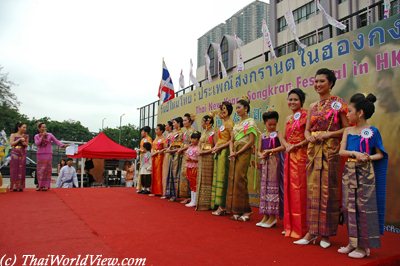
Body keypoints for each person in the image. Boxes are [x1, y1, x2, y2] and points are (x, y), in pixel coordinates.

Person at [294, 68, 349, 248]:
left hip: (330, 151)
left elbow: (346, 129)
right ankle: (311, 232)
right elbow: (307, 129)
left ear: (331, 83)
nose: (317, 85)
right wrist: (309, 136)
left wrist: (327, 135)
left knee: (328, 191)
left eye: (322, 81)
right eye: (316, 81)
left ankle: (326, 234)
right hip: (313, 151)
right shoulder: (312, 107)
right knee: (312, 191)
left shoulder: (338, 103)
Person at [338, 93, 387, 259]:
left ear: (360, 113)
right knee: (349, 207)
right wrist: (355, 153)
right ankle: (352, 242)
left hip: (366, 174)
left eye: (350, 111)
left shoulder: (372, 131)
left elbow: (380, 154)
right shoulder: (348, 131)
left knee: (364, 208)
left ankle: (364, 246)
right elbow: (341, 151)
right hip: (349, 172)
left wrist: (367, 157)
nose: (347, 114)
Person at [280, 88, 309, 239]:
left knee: (300, 191)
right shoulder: (287, 119)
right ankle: (289, 226)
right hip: (289, 155)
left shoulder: (306, 115)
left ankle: (301, 228)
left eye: (295, 99)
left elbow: (308, 136)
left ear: (301, 101)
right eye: (290, 99)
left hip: (301, 155)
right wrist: (287, 145)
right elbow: (283, 137)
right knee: (289, 190)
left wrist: (297, 145)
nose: (292, 102)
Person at [226, 96, 259, 222]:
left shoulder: (250, 122)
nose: (237, 110)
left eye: (239, 107)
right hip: (235, 153)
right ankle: (236, 209)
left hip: (244, 152)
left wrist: (238, 152)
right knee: (234, 179)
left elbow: (251, 141)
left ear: (246, 108)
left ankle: (246, 210)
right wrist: (232, 151)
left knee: (241, 179)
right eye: (236, 108)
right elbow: (231, 140)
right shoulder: (237, 124)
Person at [256, 111, 285, 228]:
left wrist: (271, 151)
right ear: (265, 123)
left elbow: (283, 146)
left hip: (274, 162)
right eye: (270, 125)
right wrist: (261, 154)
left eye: (274, 124)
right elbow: (258, 150)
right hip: (265, 163)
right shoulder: (262, 136)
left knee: (272, 188)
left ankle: (273, 217)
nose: (272, 127)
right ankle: (266, 215)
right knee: (264, 188)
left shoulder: (278, 134)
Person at [211, 102, 234, 216]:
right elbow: (219, 139)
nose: (222, 111)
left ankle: (222, 206)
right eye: (221, 109)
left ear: (229, 110)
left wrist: (220, 147)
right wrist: (215, 147)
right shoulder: (222, 124)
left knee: (223, 177)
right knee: (218, 177)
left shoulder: (230, 124)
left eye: (224, 109)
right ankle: (217, 204)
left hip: (225, 152)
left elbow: (232, 140)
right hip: (219, 151)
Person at [34, 122, 67, 191]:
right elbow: (37, 143)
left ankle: (46, 186)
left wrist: (63, 145)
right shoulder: (36, 136)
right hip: (40, 154)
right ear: (39, 128)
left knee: (47, 170)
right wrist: (42, 136)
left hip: (48, 154)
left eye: (45, 127)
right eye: (42, 127)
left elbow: (56, 141)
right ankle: (40, 185)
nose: (44, 128)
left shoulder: (50, 135)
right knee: (40, 170)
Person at [196, 114, 216, 211]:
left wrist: (204, 151)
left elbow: (215, 146)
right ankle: (200, 201)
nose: (202, 124)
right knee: (201, 177)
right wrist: (199, 150)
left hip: (209, 157)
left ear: (208, 122)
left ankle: (208, 203)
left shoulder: (213, 132)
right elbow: (200, 144)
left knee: (208, 179)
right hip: (201, 157)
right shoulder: (204, 132)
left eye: (203, 121)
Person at [177, 113, 195, 204]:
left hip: (190, 154)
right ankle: (186, 196)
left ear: (190, 121)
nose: (183, 122)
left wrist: (182, 149)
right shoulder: (185, 131)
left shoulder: (192, 131)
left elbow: (192, 143)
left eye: (185, 120)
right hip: (184, 153)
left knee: (189, 174)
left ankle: (190, 197)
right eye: (183, 120)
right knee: (184, 173)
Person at [165, 117, 184, 201]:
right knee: (171, 172)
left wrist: (174, 149)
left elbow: (182, 144)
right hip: (171, 153)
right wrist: (169, 148)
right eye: (172, 123)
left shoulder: (182, 132)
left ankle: (176, 194)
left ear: (179, 123)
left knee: (176, 173)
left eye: (174, 122)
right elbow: (171, 144)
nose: (173, 124)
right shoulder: (173, 133)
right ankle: (171, 193)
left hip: (177, 153)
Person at [9, 122, 28, 192]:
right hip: (15, 152)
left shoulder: (25, 136)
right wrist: (19, 139)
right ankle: (14, 186)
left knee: (21, 168)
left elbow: (26, 145)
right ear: (19, 128)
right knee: (14, 169)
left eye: (25, 127)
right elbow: (11, 144)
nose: (25, 129)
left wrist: (24, 142)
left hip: (22, 153)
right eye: (23, 127)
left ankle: (20, 186)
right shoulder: (13, 135)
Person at [185, 131, 201, 207]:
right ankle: (192, 199)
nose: (193, 140)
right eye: (192, 138)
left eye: (195, 139)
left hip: (195, 166)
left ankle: (195, 201)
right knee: (191, 182)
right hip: (189, 166)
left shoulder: (199, 148)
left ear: (198, 140)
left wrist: (192, 159)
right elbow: (186, 154)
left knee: (194, 183)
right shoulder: (190, 147)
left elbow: (199, 159)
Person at [151, 124, 166, 196]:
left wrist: (158, 152)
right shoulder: (155, 139)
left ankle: (160, 191)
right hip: (154, 157)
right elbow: (152, 147)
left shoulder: (163, 139)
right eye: (155, 129)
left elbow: (165, 148)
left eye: (157, 129)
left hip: (160, 157)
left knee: (159, 173)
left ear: (161, 131)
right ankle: (154, 191)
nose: (155, 131)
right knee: (154, 173)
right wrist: (152, 152)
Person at [137, 126, 153, 193]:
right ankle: (141, 187)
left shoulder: (149, 139)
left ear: (146, 132)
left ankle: (146, 188)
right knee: (142, 173)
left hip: (146, 156)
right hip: (142, 156)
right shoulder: (142, 139)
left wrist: (141, 150)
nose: (141, 132)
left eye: (142, 131)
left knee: (146, 175)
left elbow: (149, 148)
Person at [161, 121, 174, 198]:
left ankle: (167, 192)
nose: (165, 127)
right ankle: (165, 192)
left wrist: (166, 149)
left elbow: (171, 145)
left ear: (170, 126)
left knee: (168, 172)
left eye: (167, 125)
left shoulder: (172, 134)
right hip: (166, 153)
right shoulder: (167, 135)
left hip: (169, 154)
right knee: (165, 173)